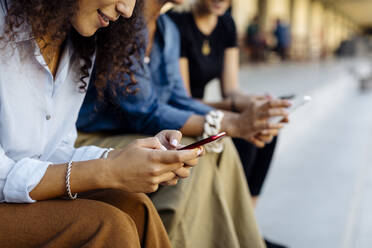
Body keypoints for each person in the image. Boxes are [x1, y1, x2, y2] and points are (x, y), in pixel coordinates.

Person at [77, 0, 290, 247]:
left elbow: (179, 97)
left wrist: (231, 122)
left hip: (135, 131)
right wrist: (228, 122)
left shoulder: (167, 28)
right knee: (191, 152)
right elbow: (145, 110)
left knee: (216, 146)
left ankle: (247, 241)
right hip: (93, 134)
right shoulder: (120, 22)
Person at [0, 0, 202, 247]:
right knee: (107, 225)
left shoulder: (78, 44)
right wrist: (109, 171)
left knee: (137, 207)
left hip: (19, 195)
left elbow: (56, 150)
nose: (127, 10)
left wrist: (129, 158)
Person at [168, 1, 288, 247]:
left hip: (208, 107)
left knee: (266, 129)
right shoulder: (177, 24)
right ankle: (230, 224)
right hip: (186, 110)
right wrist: (238, 113)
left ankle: (246, 225)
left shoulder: (226, 23)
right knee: (244, 135)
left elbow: (231, 89)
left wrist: (255, 103)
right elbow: (184, 99)